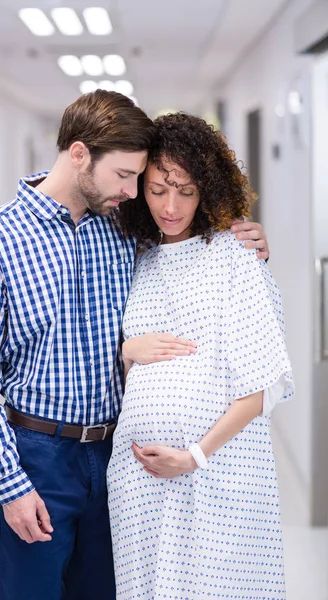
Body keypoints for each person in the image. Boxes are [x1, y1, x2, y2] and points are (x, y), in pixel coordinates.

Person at [0, 91, 269, 600]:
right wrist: (9, 484)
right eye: (124, 176)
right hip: (38, 456)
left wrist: (246, 236)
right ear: (80, 154)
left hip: (117, 455)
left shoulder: (124, 229)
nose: (131, 190)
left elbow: (184, 251)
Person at [107, 112, 294, 600]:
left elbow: (263, 384)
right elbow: (119, 357)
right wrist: (127, 350)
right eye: (156, 189)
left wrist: (194, 455)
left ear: (207, 189)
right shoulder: (138, 259)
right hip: (139, 482)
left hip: (217, 476)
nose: (170, 206)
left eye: (186, 191)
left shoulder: (235, 256)